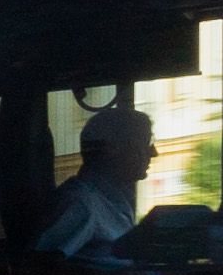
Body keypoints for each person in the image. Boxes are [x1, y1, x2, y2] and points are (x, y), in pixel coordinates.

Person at [32, 104, 155, 264]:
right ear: (114, 149)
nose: (154, 152)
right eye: (147, 143)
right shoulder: (81, 203)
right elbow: (41, 265)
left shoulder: (113, 201)